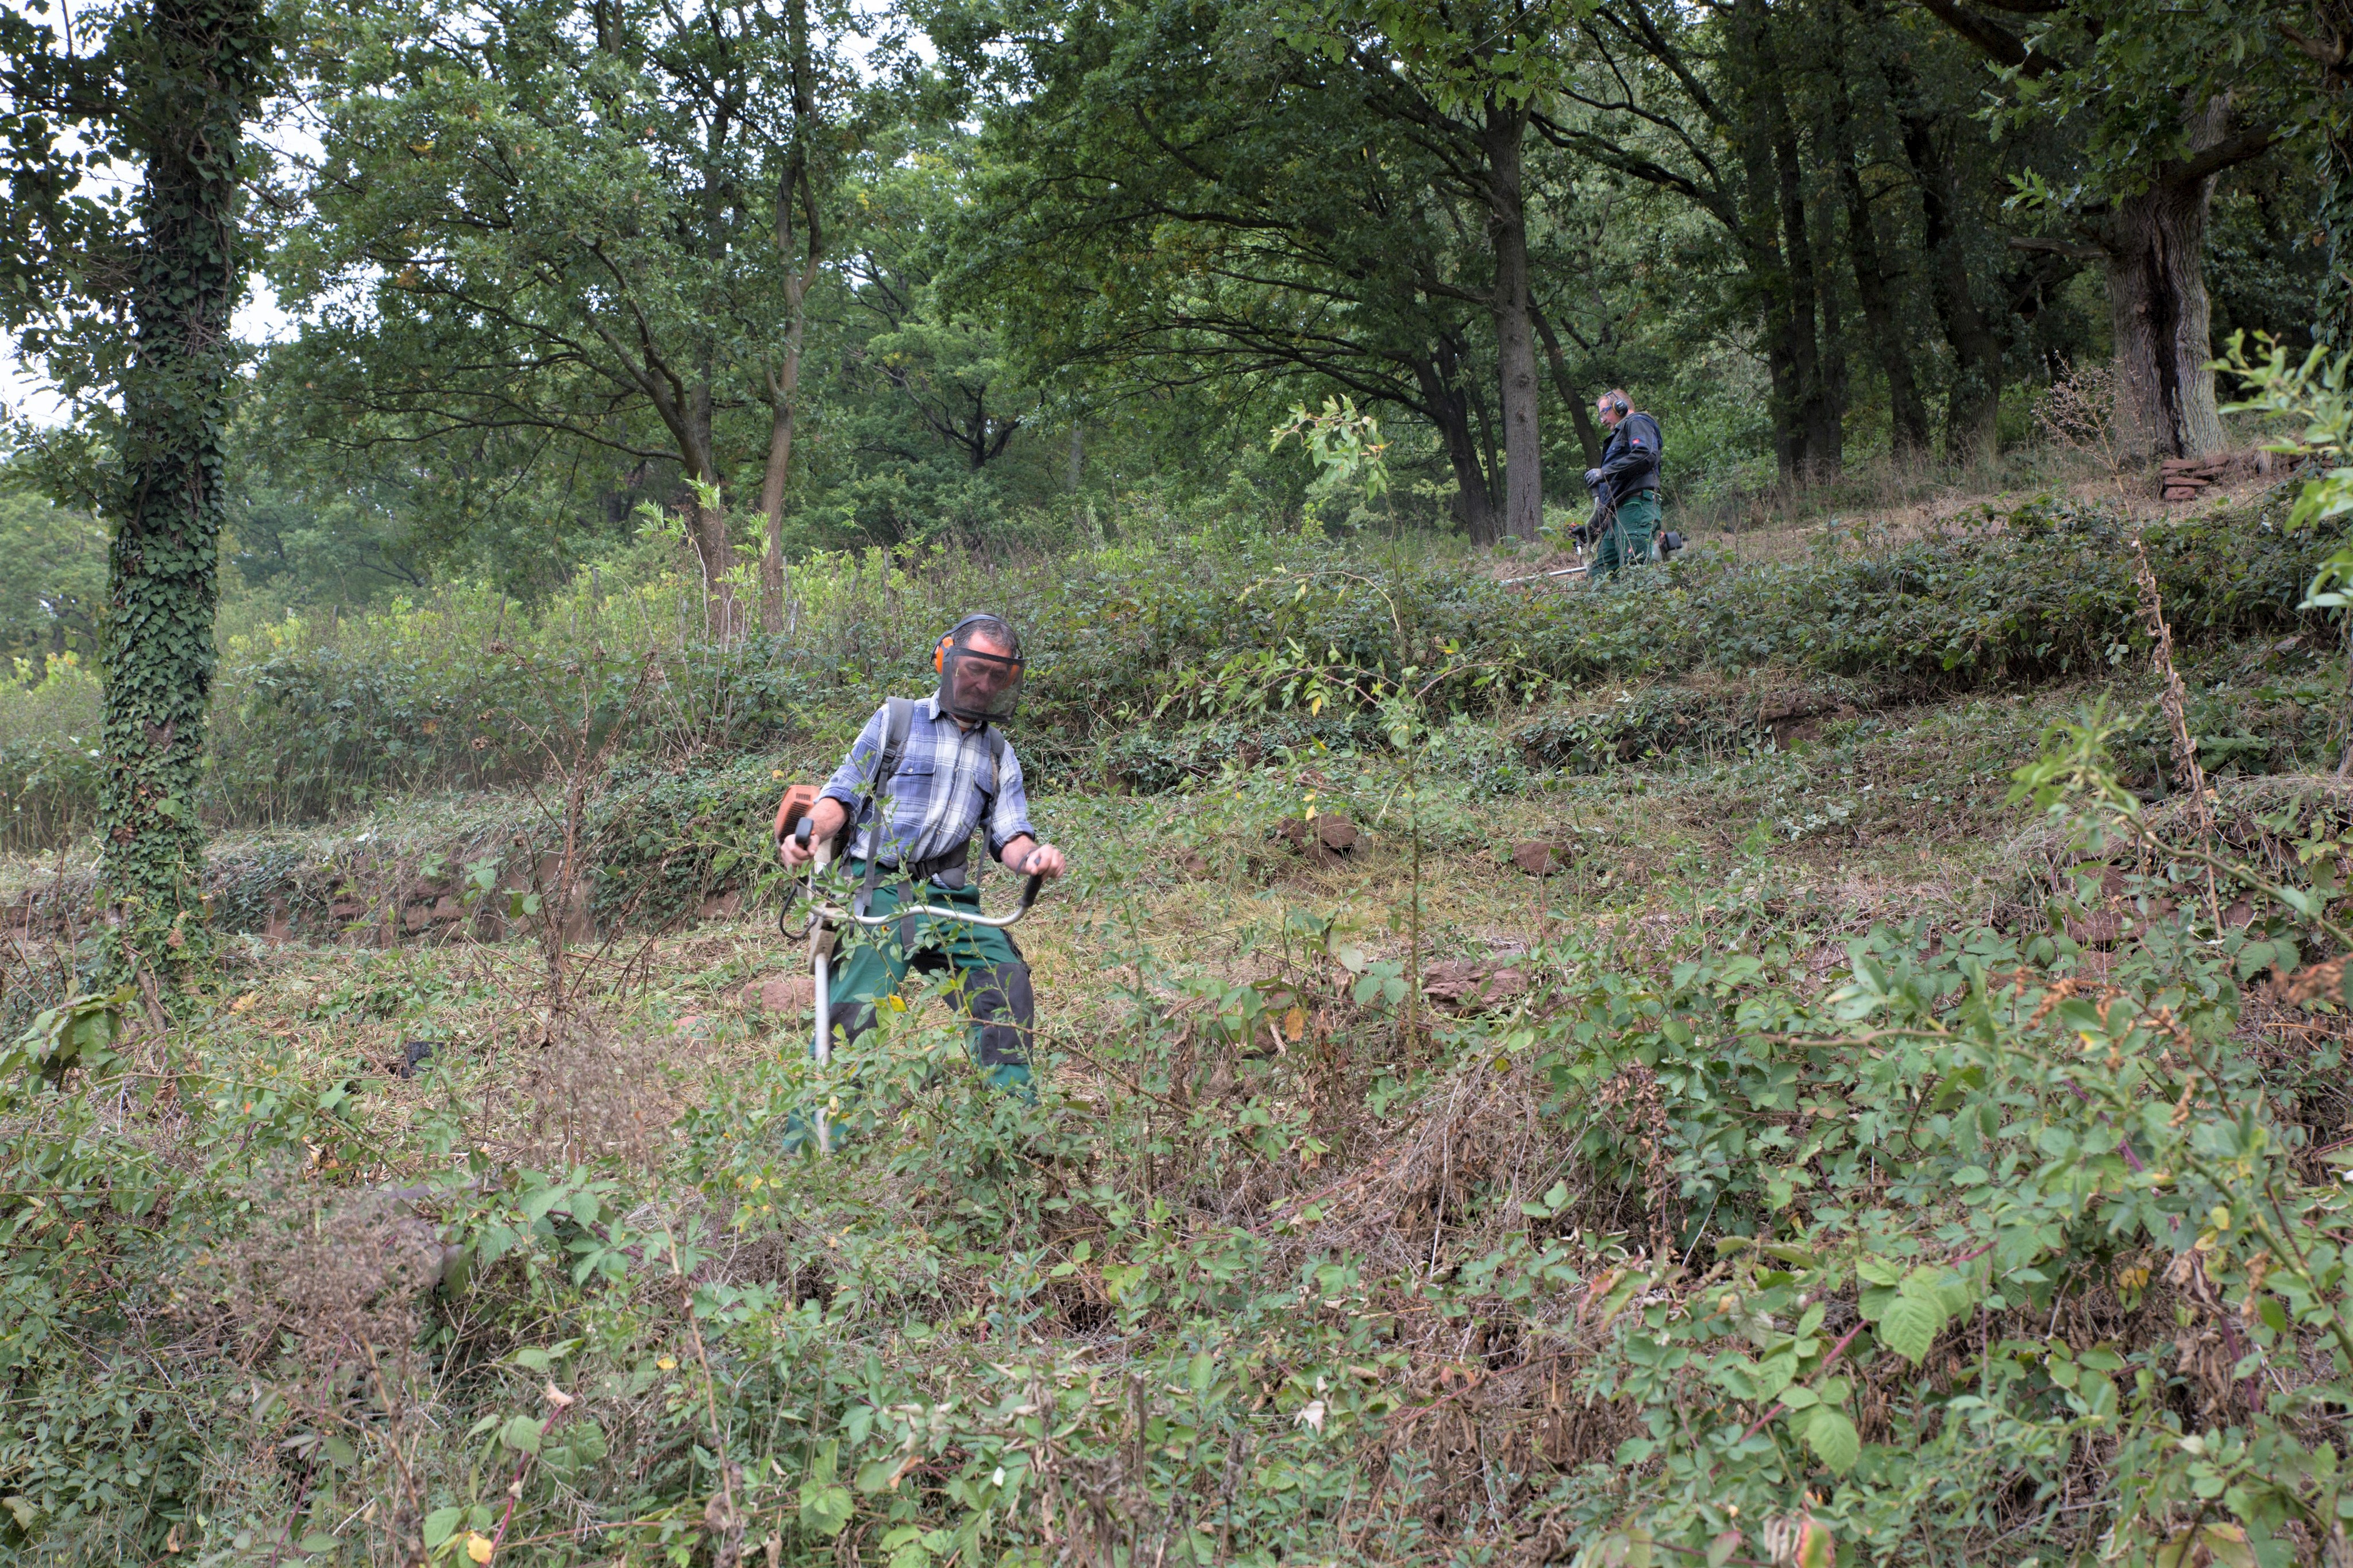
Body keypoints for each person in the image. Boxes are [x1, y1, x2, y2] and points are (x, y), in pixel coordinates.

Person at [780, 615, 1065, 1099]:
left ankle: (1014, 1116)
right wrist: (810, 835)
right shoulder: (897, 720)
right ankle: (815, 1131)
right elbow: (842, 794)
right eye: (975, 668)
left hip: (949, 897)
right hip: (875, 886)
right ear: (946, 661)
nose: (984, 683)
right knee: (853, 1015)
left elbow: (1010, 835)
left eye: (997, 675)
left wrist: (1034, 858)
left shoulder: (998, 753)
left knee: (1004, 985)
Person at [1581, 389, 1664, 580]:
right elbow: (1612, 495)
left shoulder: (1638, 422)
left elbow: (1645, 454)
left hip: (1635, 509)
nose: (1602, 420)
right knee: (1598, 578)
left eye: (1604, 412)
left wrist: (1604, 472)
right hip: (1617, 517)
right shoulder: (1617, 438)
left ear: (1620, 406)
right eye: (1600, 416)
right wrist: (1590, 530)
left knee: (1634, 575)